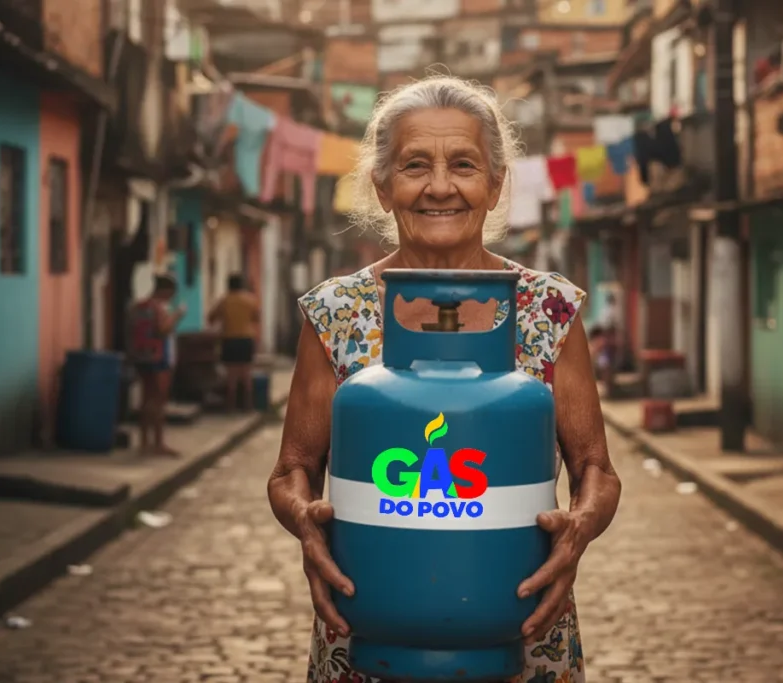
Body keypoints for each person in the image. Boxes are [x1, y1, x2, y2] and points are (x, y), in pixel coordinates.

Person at [267, 76, 622, 683]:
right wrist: (305, 521)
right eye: (413, 166)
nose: (439, 187)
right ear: (381, 187)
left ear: (495, 184)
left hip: (520, 627)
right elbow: (292, 468)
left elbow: (596, 469)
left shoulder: (547, 310)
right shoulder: (335, 313)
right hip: (367, 630)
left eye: (463, 164)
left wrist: (577, 532)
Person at [127, 273, 185, 456]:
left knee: (146, 399)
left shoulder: (137, 307)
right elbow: (163, 330)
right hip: (159, 358)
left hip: (142, 357)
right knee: (159, 401)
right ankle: (158, 443)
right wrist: (177, 316)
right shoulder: (159, 308)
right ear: (166, 291)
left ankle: (144, 442)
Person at [208, 273, 260, 412]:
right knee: (246, 374)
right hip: (246, 339)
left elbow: (211, 318)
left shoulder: (224, 301)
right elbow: (256, 318)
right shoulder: (250, 300)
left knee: (231, 376)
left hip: (229, 339)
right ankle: (248, 406)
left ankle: (230, 407)